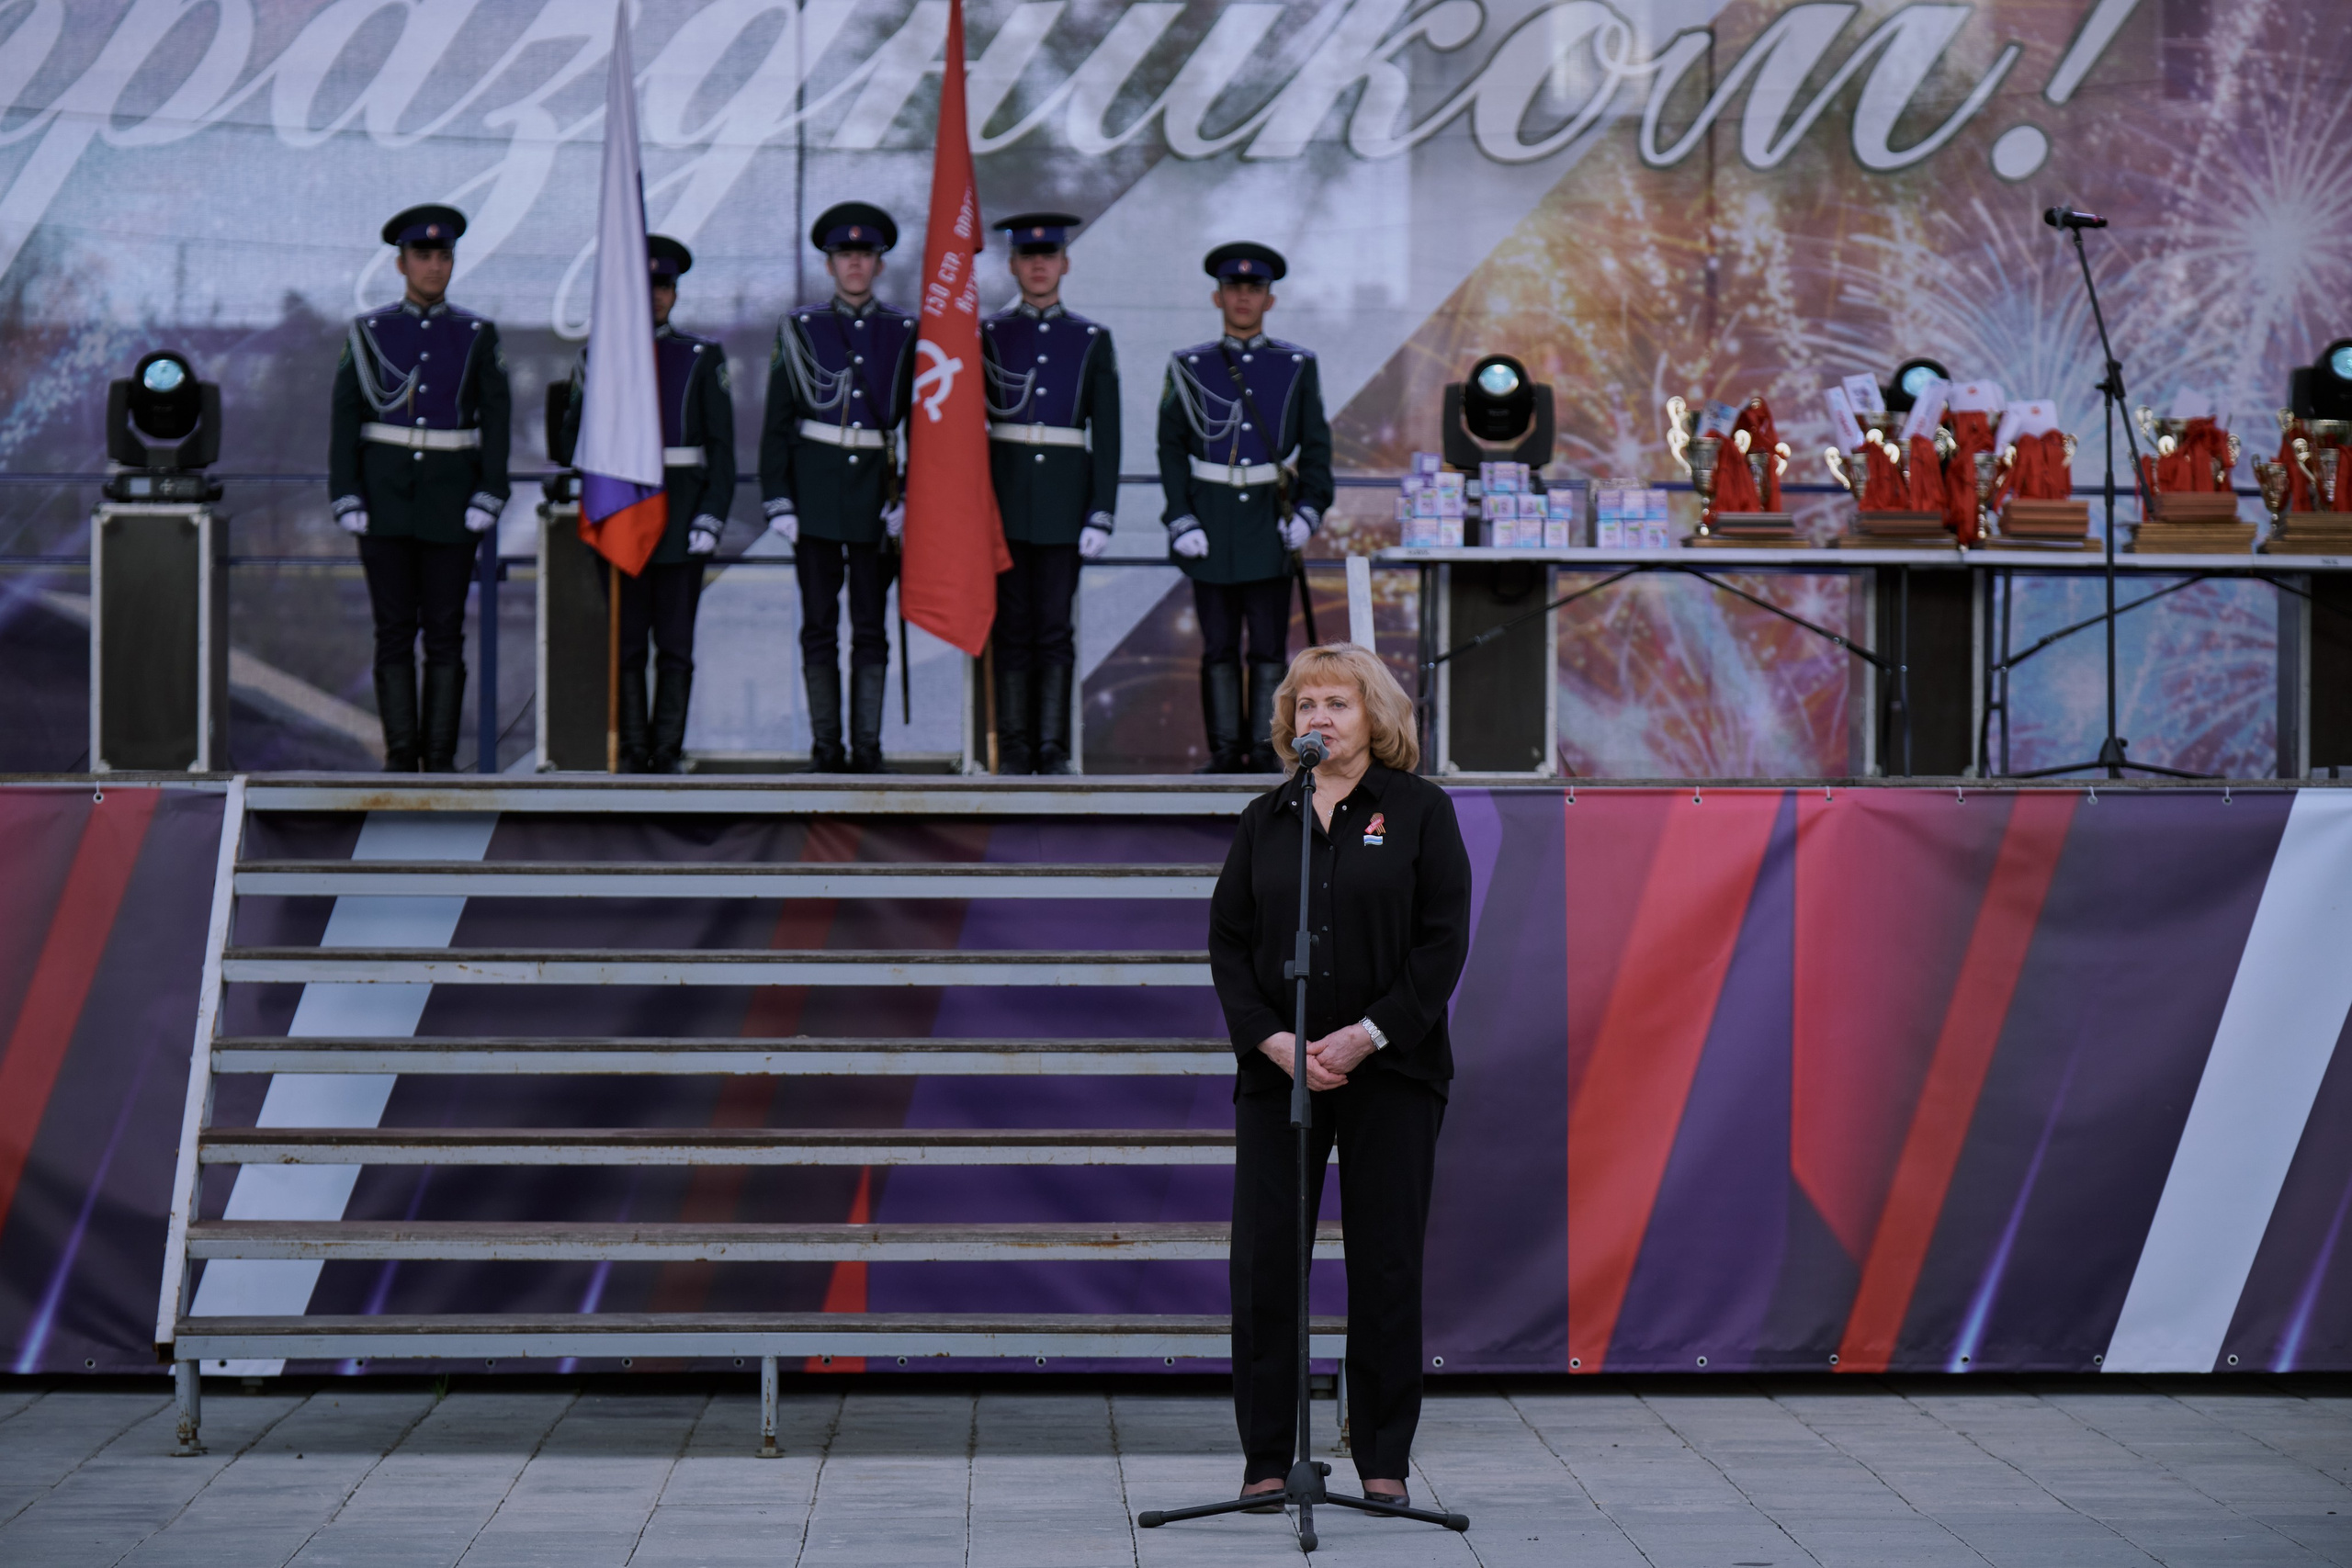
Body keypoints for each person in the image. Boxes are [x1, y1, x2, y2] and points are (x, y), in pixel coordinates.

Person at [1206, 643, 1470, 1511]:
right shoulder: (1266, 817)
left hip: (1391, 1073)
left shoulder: (1421, 811)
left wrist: (1365, 1035)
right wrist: (1274, 1040)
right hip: (1280, 1076)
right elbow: (1231, 944)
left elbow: (1442, 943)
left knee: (1386, 1264)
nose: (1317, 717)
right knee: (1267, 1266)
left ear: (1376, 717)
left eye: (1337, 703)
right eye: (1305, 704)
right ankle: (1267, 1457)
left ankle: (1384, 1453)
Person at [329, 204, 511, 772]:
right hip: (383, 503)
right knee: (392, 631)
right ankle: (401, 754)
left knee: (446, 633)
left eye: (443, 255)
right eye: (423, 256)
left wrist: (490, 492)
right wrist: (347, 493)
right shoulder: (368, 333)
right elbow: (345, 418)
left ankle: (441, 755)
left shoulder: (477, 335)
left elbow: (497, 421)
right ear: (401, 263)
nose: (435, 266)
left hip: (452, 505)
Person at [559, 234, 735, 773]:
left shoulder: (701, 358)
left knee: (676, 647)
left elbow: (721, 449)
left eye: (665, 286)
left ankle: (667, 750)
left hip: (682, 519)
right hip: (623, 511)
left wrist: (709, 517)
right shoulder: (600, 357)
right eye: (646, 285)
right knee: (628, 642)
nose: (656, 295)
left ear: (675, 294)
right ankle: (633, 748)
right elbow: (569, 443)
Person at [1158, 243, 1334, 773]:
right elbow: (1169, 447)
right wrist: (1180, 516)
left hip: (1267, 517)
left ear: (1269, 300)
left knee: (1267, 647)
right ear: (1218, 296)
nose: (1243, 297)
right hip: (1209, 516)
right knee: (1216, 646)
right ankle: (1222, 750)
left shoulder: (1296, 365)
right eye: (1234, 288)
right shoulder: (1188, 366)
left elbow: (1318, 449)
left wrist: (1308, 512)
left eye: (1253, 289)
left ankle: (1264, 748)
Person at [761, 202, 916, 773]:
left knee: (871, 627)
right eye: (845, 255)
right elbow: (777, 421)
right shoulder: (800, 329)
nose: (855, 264)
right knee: (818, 625)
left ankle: (868, 749)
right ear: (829, 265)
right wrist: (778, 499)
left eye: (865, 255)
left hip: (879, 497)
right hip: (816, 494)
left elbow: (920, 422)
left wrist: (913, 500)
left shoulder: (904, 331)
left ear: (879, 264)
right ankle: (827, 749)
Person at [979, 212, 1121, 773]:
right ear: (1014, 265)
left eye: (1048, 256)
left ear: (1064, 264)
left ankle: (1052, 747)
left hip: (1065, 506)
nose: (1039, 265)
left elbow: (1106, 434)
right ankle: (1013, 747)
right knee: (1011, 626)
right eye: (1028, 257)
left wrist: (1101, 511)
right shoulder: (988, 334)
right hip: (1004, 501)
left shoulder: (1089, 339)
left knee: (1055, 628)